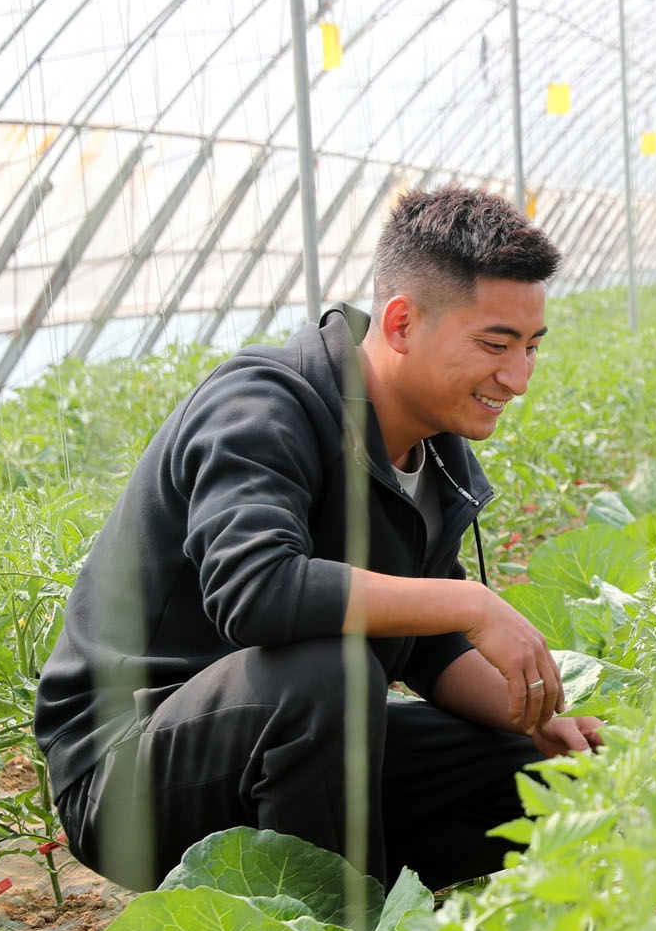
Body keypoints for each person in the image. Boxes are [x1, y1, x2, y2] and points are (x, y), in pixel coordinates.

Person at [34, 185, 603, 891]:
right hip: (129, 768)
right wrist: (473, 604)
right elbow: (257, 591)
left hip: (294, 736)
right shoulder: (263, 405)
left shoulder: (435, 449)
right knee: (331, 673)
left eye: (530, 347)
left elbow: (424, 643)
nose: (517, 377)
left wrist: (527, 717)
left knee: (539, 778)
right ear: (401, 323)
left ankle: (380, 917)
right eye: (496, 344)